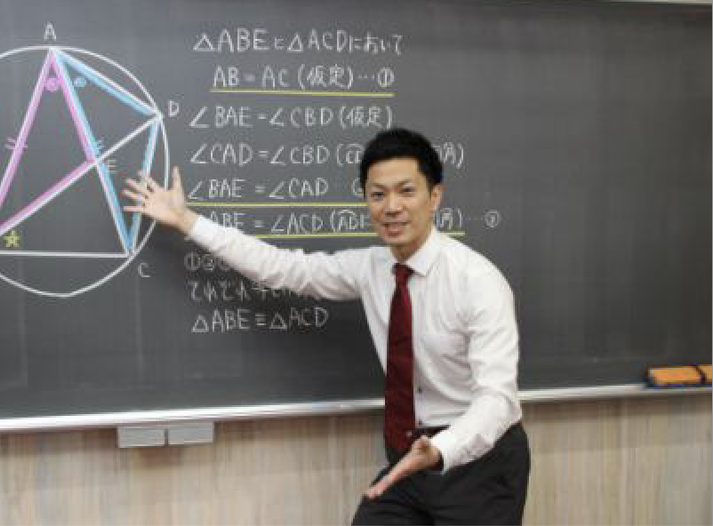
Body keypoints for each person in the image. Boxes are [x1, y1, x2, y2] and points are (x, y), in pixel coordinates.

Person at [123, 128, 530, 525]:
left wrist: (442, 449)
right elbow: (284, 268)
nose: (391, 207)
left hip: (480, 460)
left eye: (406, 191)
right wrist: (187, 221)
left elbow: (498, 400)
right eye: (378, 194)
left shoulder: (477, 282)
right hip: (410, 454)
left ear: (435, 196)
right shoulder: (372, 267)